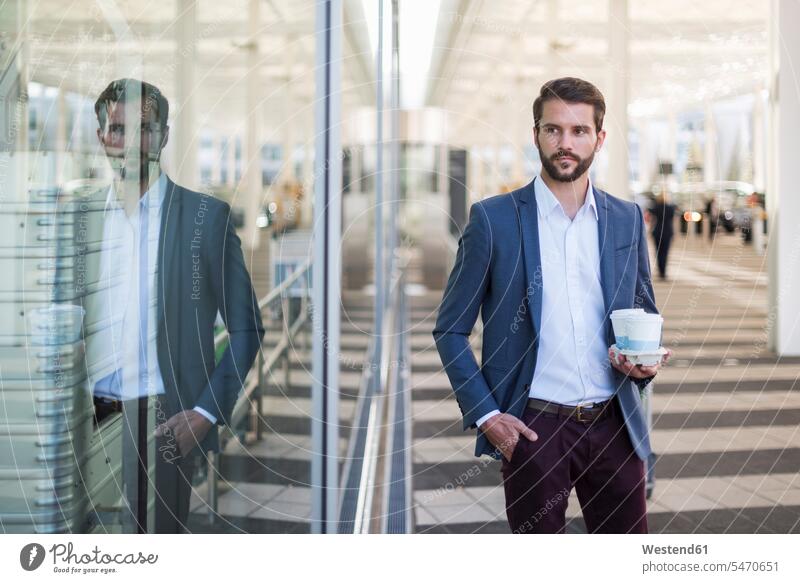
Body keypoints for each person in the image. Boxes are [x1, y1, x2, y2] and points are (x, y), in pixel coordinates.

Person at [433, 77, 671, 534]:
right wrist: (487, 417)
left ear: (599, 139)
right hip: (533, 428)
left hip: (615, 425)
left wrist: (644, 360)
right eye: (553, 130)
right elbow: (450, 330)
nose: (566, 143)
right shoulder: (494, 219)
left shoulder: (623, 218)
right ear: (536, 134)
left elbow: (642, 308)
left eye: (579, 131)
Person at [84, 78, 264, 532]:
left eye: (144, 129)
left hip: (163, 418)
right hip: (86, 415)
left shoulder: (205, 219)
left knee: (156, 546)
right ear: (103, 137)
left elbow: (246, 329)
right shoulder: (81, 220)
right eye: (118, 129)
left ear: (163, 136)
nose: (129, 143)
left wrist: (204, 413)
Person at [650, 190, 676, 280]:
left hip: (657, 231)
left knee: (658, 252)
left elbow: (652, 217)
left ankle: (660, 270)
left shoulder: (655, 207)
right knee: (665, 252)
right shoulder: (670, 208)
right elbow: (672, 217)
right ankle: (663, 272)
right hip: (667, 232)